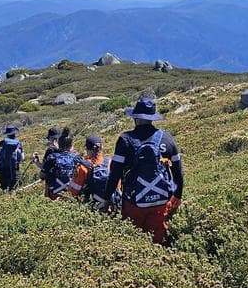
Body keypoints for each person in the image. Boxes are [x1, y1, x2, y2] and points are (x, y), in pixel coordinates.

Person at [101, 96, 184, 244]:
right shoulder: (167, 139)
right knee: (159, 243)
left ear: (135, 118)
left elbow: (115, 173)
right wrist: (177, 195)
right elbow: (178, 171)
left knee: (134, 242)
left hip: (134, 203)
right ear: (152, 118)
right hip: (161, 202)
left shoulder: (125, 140)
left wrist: (107, 198)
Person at [70, 135, 116, 208]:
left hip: (91, 210)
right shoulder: (110, 163)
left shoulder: (82, 167)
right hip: (110, 208)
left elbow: (73, 192)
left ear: (87, 149)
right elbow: (117, 187)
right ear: (102, 147)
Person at [39, 129, 79, 200]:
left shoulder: (52, 157)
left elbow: (42, 175)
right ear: (71, 145)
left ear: (59, 143)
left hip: (54, 193)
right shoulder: (76, 157)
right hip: (71, 192)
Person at [0, 125, 24, 190]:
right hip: (14, 169)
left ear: (7, 134)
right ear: (14, 133)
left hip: (2, 168)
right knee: (14, 188)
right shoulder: (18, 144)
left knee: (4, 188)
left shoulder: (1, 143)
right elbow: (22, 158)